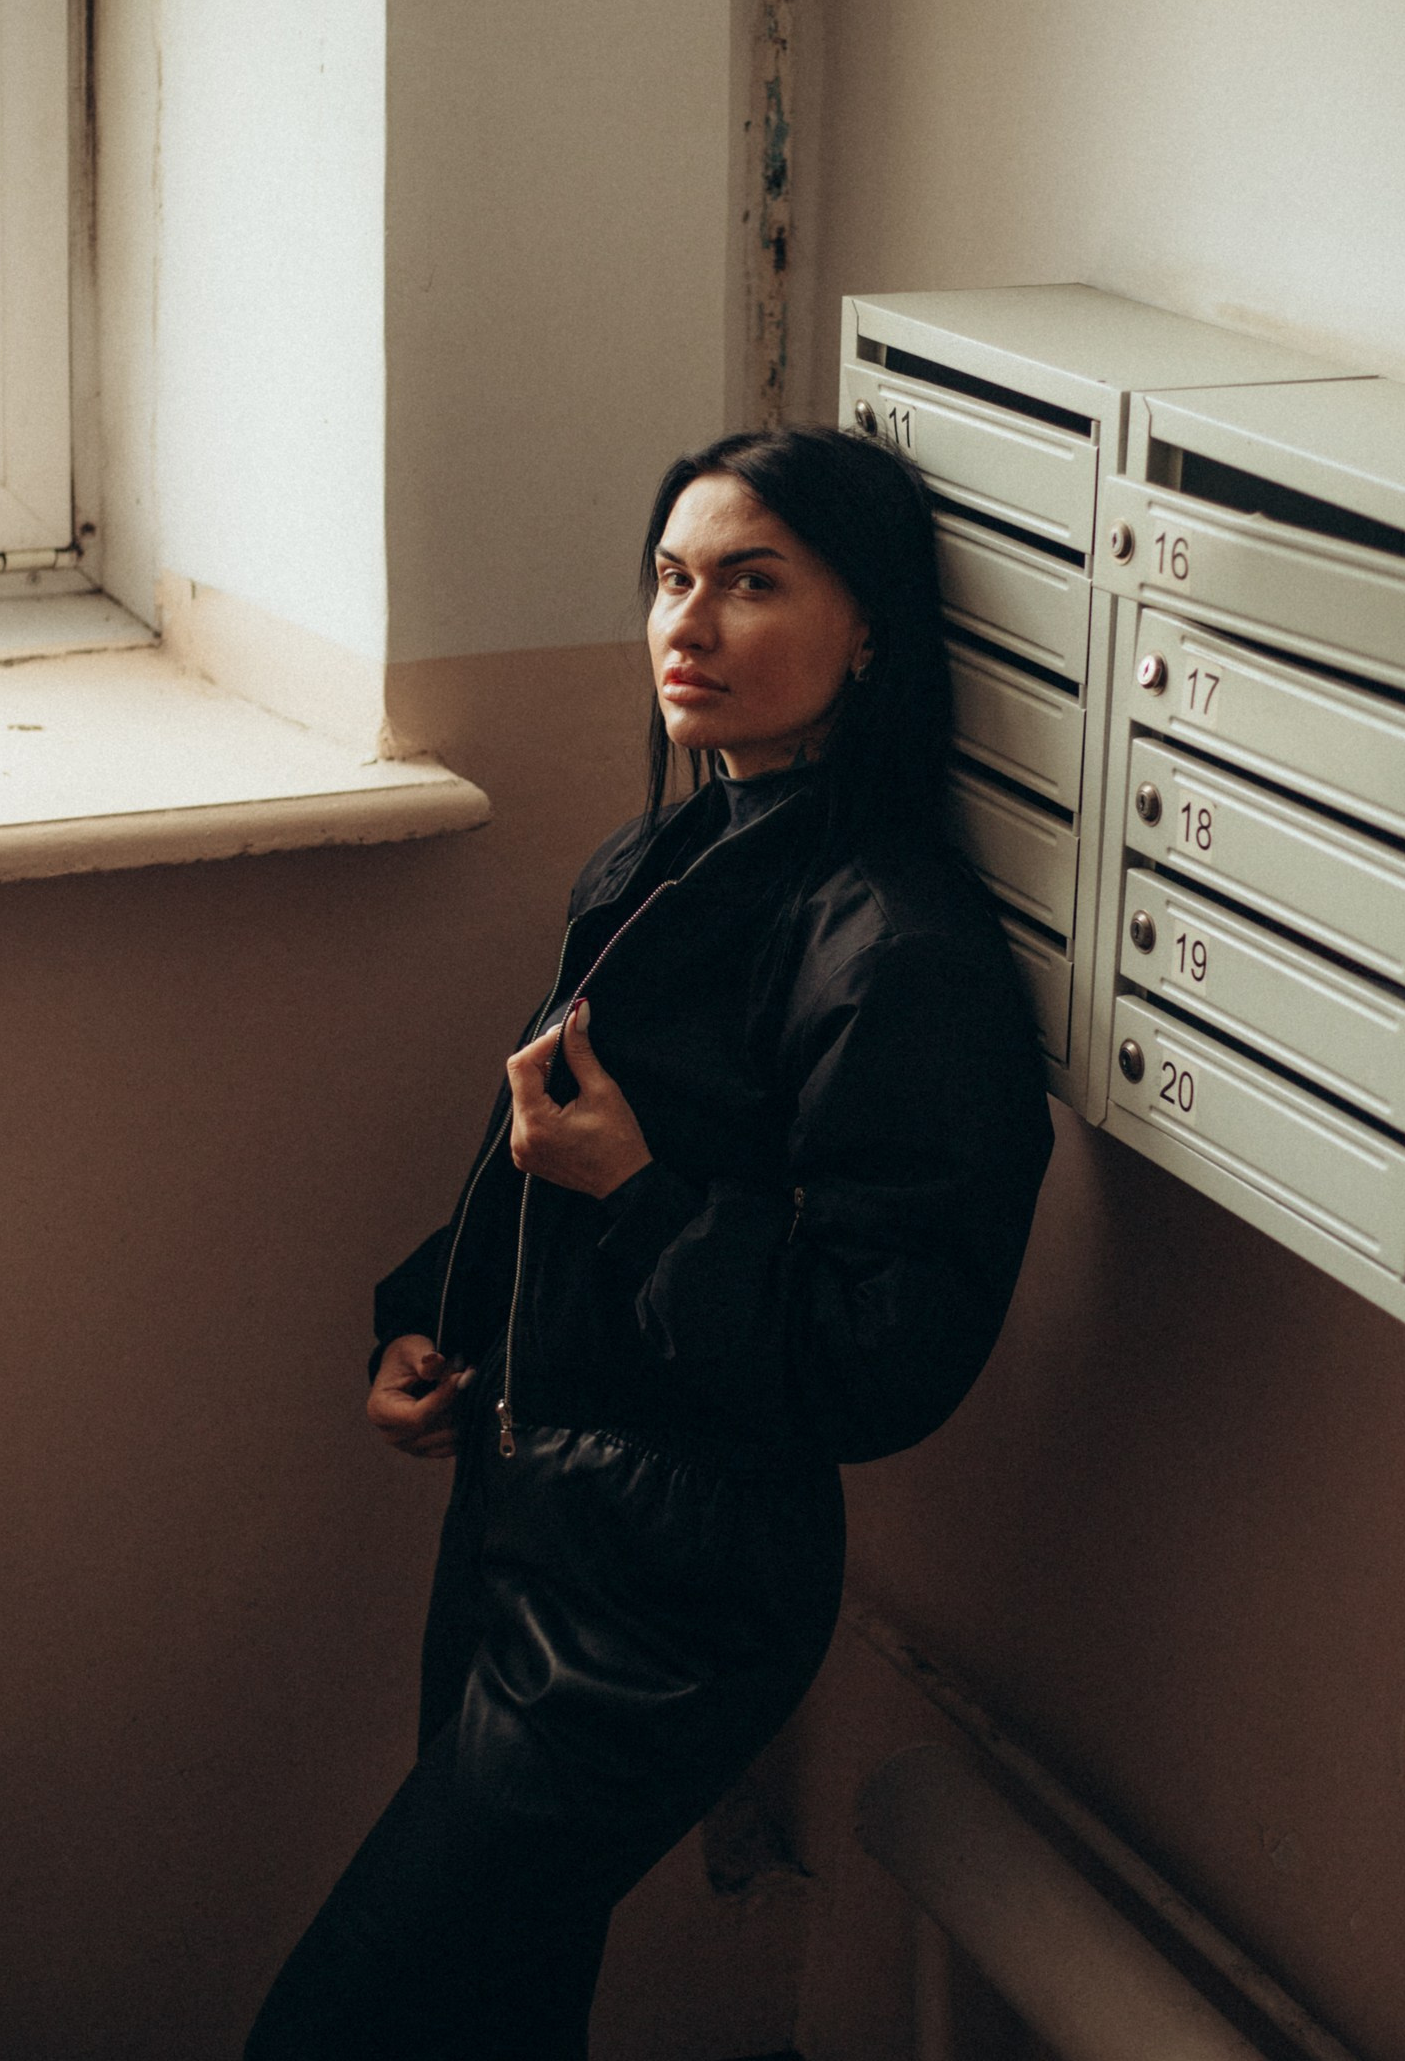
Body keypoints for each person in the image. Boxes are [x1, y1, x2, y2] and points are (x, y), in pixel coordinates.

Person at [244, 424, 1054, 2061]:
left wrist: (642, 1193)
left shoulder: (899, 948)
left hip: (673, 1598)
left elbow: (883, 1358)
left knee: (349, 2027)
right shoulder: (664, 854)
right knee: (492, 2013)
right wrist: (430, 1320)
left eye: (751, 584)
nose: (688, 623)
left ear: (871, 629)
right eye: (672, 579)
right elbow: (539, 1164)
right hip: (526, 1503)